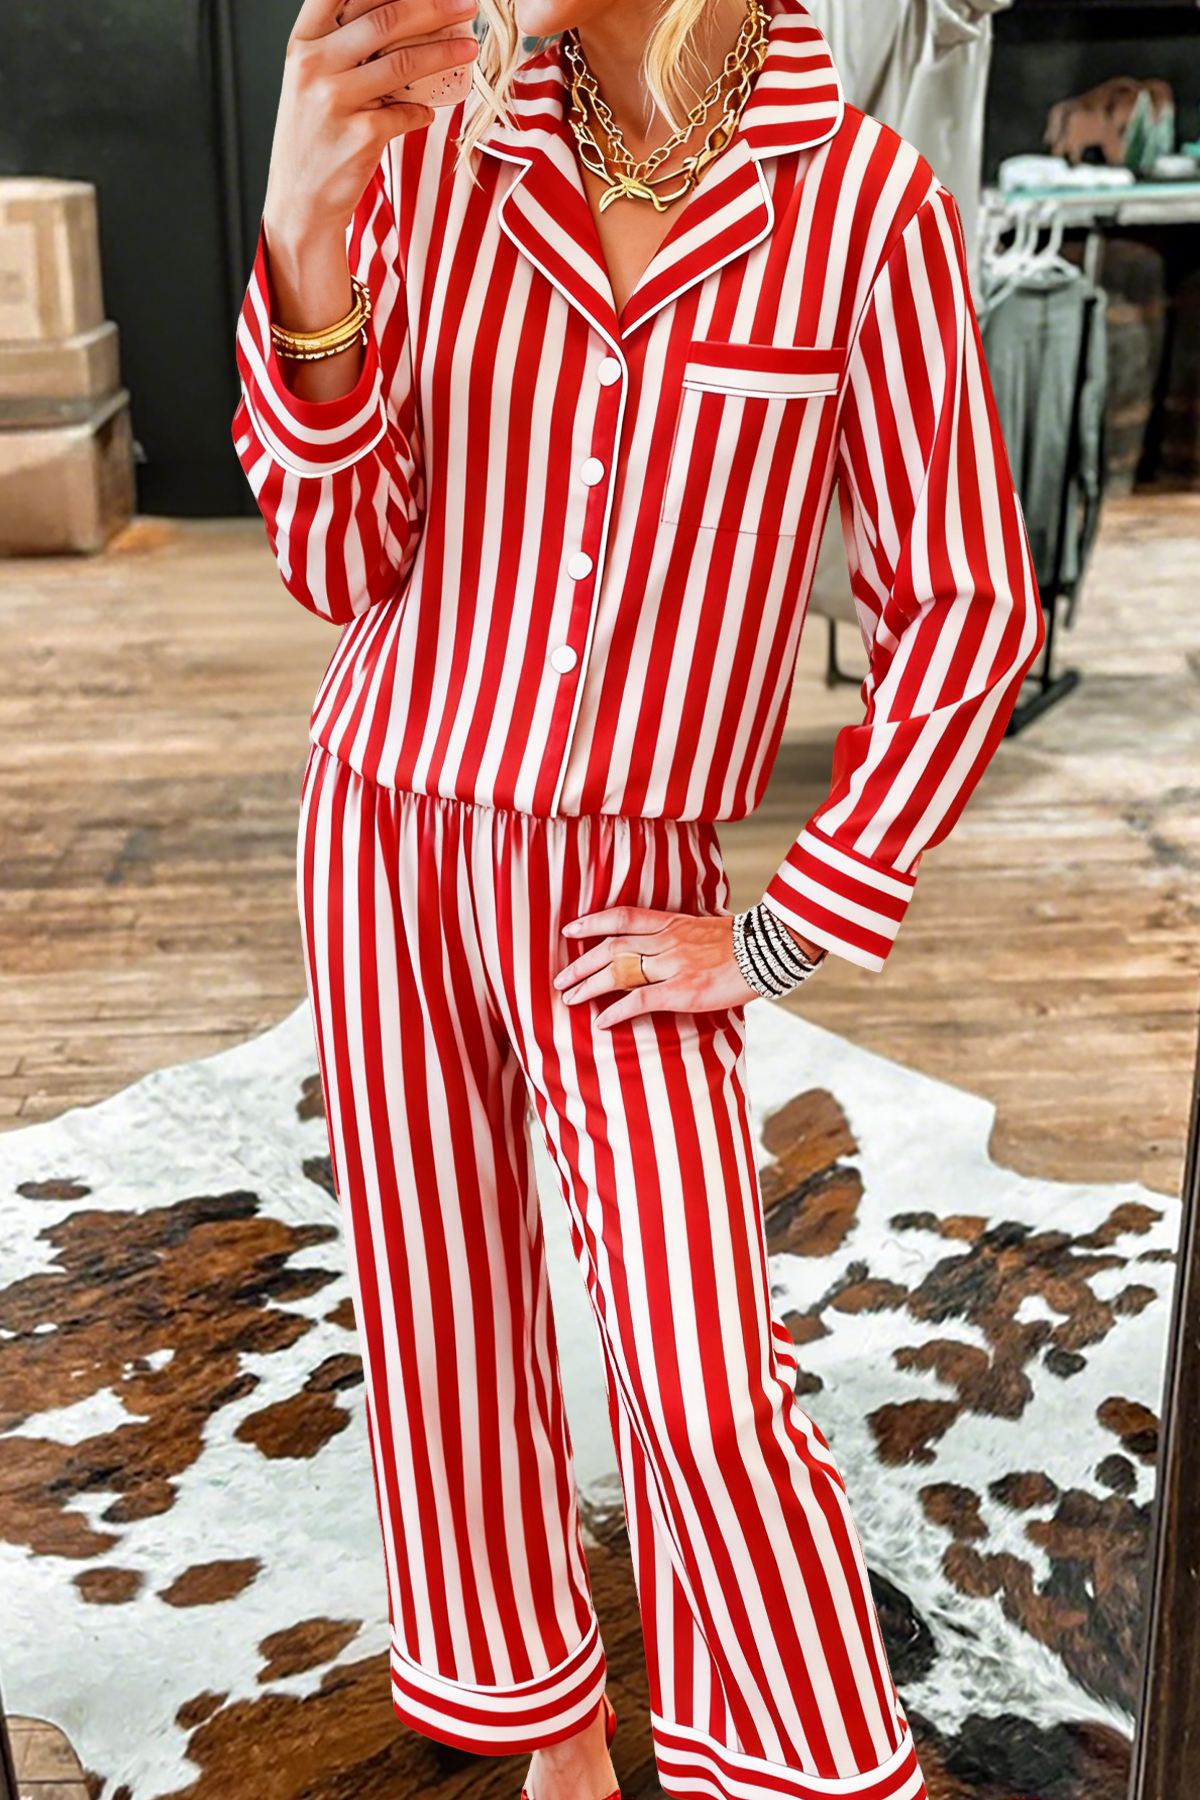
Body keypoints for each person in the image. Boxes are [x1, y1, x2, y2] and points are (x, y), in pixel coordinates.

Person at [231, 2, 1044, 1798]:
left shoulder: (863, 207)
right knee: (441, 1309)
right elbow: (340, 560)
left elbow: (968, 608)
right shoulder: (435, 156)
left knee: (700, 1376)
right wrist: (301, 239)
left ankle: (799, 1761)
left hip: (626, 880)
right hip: (380, 823)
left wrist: (782, 930)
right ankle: (549, 1734)